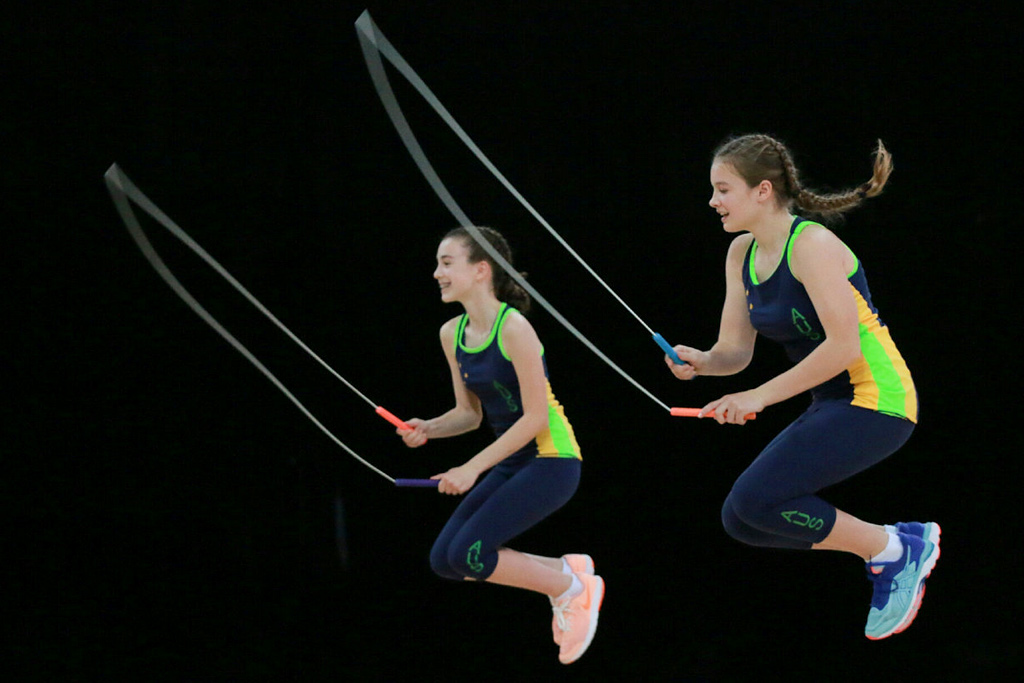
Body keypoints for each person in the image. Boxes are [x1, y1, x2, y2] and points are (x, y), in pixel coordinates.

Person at [665, 134, 940, 640]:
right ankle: (893, 547)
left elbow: (845, 349)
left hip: (877, 397)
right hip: (833, 400)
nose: (712, 201)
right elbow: (735, 353)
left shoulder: (810, 244)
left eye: (723, 189)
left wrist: (758, 397)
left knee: (755, 502)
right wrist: (703, 363)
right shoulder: (740, 252)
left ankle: (895, 550)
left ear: (762, 190)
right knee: (742, 519)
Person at [397, 226, 604, 664]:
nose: (437, 273)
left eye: (447, 263)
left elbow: (534, 418)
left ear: (481, 270)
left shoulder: (515, 328)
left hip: (553, 460)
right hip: (512, 462)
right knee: (445, 560)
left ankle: (570, 589)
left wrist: (471, 469)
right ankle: (567, 572)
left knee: (471, 555)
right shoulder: (451, 333)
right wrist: (428, 428)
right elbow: (469, 415)